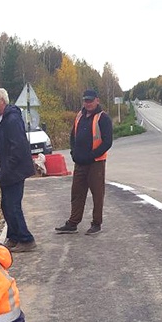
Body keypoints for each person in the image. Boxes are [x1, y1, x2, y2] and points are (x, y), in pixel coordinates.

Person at [55, 89, 113, 235]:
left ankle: (96, 224)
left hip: (96, 163)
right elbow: (72, 136)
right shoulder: (79, 116)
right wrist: (73, 152)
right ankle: (73, 223)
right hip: (80, 162)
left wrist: (92, 156)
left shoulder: (103, 118)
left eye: (90, 100)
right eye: (86, 100)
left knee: (97, 194)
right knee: (77, 193)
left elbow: (107, 142)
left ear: (97, 100)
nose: (88, 103)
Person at [0, 87, 37, 252]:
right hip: (5, 171)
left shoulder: (12, 119)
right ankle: (14, 237)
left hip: (13, 171)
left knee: (13, 205)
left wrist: (7, 168)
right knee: (6, 205)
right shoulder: (0, 118)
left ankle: (26, 239)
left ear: (2, 101)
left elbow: (19, 147)